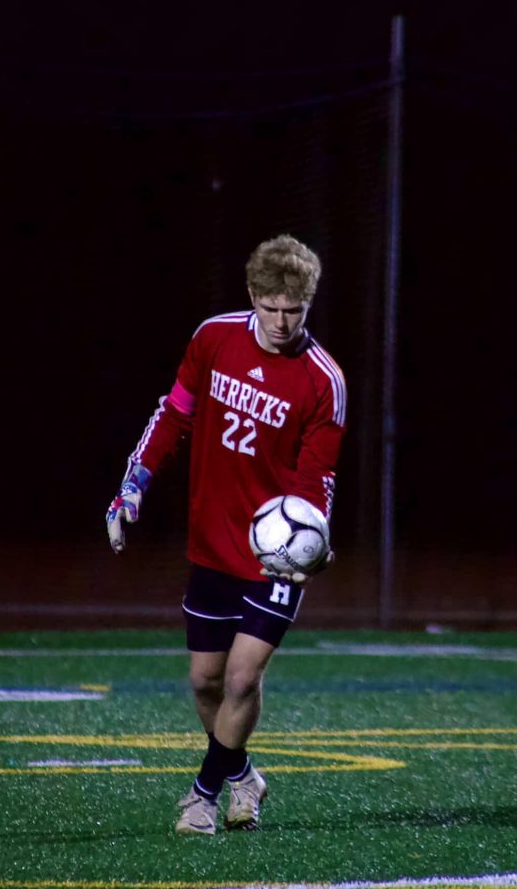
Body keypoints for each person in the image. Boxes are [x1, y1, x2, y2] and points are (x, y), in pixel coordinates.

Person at [106, 233, 347, 835]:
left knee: (243, 676)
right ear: (252, 296)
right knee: (206, 681)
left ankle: (202, 796)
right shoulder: (213, 338)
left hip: (276, 557)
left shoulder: (324, 381)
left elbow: (317, 477)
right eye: (271, 307)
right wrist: (133, 483)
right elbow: (174, 413)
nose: (283, 321)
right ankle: (243, 775)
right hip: (211, 542)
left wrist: (311, 541)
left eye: (295, 310)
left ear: (308, 304)